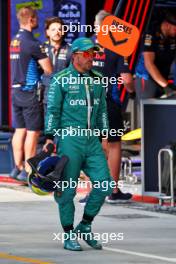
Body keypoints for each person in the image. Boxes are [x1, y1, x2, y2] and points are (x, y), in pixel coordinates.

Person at [44, 37, 113, 251]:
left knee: (104, 184)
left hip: (92, 141)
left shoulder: (98, 79)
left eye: (94, 54)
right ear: (75, 55)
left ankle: (84, 225)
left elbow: (102, 111)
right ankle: (67, 234)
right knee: (67, 191)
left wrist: (105, 137)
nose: (92, 57)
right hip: (69, 140)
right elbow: (52, 111)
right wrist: (49, 138)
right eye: (88, 54)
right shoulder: (60, 79)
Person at [80, 10, 134, 204]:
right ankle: (113, 190)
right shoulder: (118, 47)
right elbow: (126, 79)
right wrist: (132, 90)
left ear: (96, 26)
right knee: (113, 144)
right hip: (107, 102)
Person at [10, 6, 52, 181]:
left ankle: (16, 168)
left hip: (15, 91)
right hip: (29, 92)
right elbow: (49, 69)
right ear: (31, 20)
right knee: (33, 132)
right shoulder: (34, 43)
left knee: (19, 130)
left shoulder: (15, 41)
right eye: (36, 19)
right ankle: (28, 171)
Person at [135, 10, 176, 100]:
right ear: (167, 25)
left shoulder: (172, 38)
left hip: (163, 80)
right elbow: (149, 64)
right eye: (175, 29)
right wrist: (166, 86)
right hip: (146, 79)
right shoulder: (151, 35)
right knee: (146, 111)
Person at [42, 17, 71, 111]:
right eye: (53, 29)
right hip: (47, 97)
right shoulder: (41, 49)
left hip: (65, 97)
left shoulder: (71, 49)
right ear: (47, 32)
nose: (57, 32)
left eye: (60, 29)